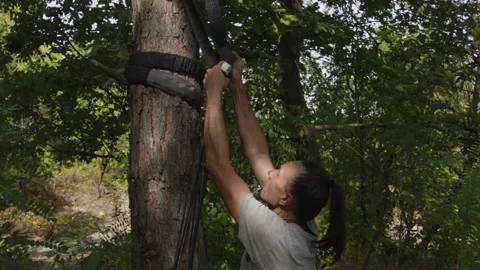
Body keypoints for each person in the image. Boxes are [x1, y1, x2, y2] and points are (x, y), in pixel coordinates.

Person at [203, 52, 346, 269]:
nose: (270, 173)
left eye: (278, 174)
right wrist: (237, 86)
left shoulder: (274, 237)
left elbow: (218, 165)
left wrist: (213, 94)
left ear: (285, 199)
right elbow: (258, 154)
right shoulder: (303, 221)